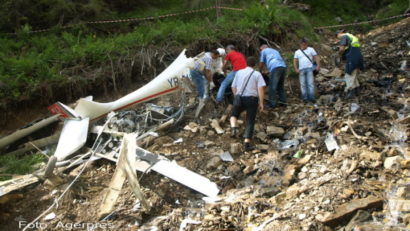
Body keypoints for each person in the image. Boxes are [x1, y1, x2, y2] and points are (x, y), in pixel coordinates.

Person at [230, 56, 266, 151]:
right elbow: (260, 89)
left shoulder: (239, 72)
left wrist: (236, 96)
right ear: (255, 65)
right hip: (251, 99)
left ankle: (233, 128)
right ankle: (246, 144)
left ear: (246, 63)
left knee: (234, 114)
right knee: (250, 120)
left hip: (239, 98)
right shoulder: (257, 74)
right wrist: (261, 102)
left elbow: (233, 86)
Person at [336, 30, 364, 98]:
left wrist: (339, 55)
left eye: (337, 37)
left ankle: (350, 91)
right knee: (354, 73)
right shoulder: (351, 36)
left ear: (339, 33)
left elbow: (342, 48)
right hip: (358, 57)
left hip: (352, 57)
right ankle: (357, 89)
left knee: (349, 74)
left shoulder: (344, 36)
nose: (338, 39)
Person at [293, 38, 321, 103]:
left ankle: (311, 98)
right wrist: (296, 69)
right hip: (301, 70)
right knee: (303, 84)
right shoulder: (297, 52)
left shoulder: (311, 49)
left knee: (310, 83)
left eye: (304, 44)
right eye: (302, 44)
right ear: (300, 44)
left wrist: (318, 65)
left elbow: (316, 57)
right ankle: (305, 98)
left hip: (309, 69)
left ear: (306, 44)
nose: (303, 45)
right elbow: (295, 61)